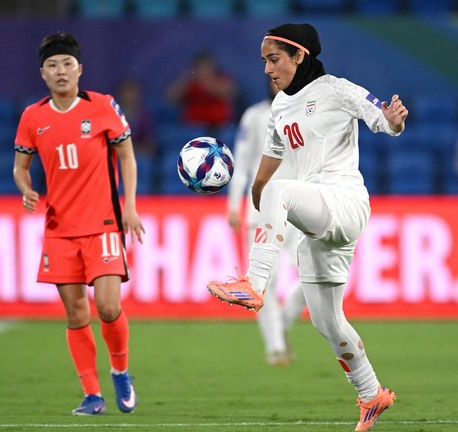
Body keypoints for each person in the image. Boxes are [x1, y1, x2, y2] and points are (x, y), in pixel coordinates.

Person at [207, 23, 408, 432]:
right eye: (263, 60)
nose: (266, 68)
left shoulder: (336, 89)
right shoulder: (280, 106)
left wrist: (393, 120)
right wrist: (258, 198)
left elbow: (383, 120)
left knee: (283, 191)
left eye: (274, 58)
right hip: (316, 217)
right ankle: (372, 394)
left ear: (299, 56)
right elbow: (267, 169)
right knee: (327, 322)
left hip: (344, 201)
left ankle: (254, 284)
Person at [12, 32, 145, 416]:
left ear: (80, 69)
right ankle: (92, 394)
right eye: (52, 65)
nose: (61, 71)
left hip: (103, 223)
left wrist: (130, 207)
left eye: (67, 64)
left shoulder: (102, 107)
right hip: (59, 229)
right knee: (75, 313)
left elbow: (128, 157)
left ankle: (120, 370)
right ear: (42, 74)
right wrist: (25, 188)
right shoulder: (32, 117)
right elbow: (20, 166)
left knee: (106, 306)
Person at [227, 77, 306, 367]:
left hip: (300, 207)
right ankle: (275, 347)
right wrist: (234, 204)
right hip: (261, 209)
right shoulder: (255, 116)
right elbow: (243, 164)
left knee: (315, 277)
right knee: (265, 284)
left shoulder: (307, 111)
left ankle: (282, 326)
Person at [166, 51, 237, 130]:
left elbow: (231, 94)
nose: (203, 70)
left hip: (218, 127)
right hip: (192, 127)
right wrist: (185, 82)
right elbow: (170, 97)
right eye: (200, 67)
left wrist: (209, 84)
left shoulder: (222, 79)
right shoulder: (189, 81)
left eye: (206, 67)